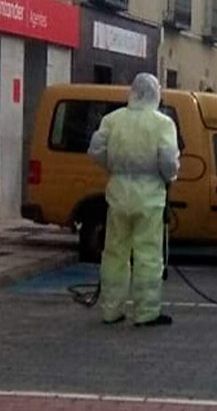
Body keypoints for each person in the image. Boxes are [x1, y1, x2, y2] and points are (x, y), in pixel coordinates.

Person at [88, 73, 180, 327]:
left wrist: (114, 168)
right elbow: (168, 161)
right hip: (150, 196)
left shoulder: (112, 120)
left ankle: (111, 310)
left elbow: (95, 150)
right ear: (156, 94)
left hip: (118, 192)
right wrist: (168, 176)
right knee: (148, 254)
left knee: (114, 252)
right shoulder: (163, 124)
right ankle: (146, 311)